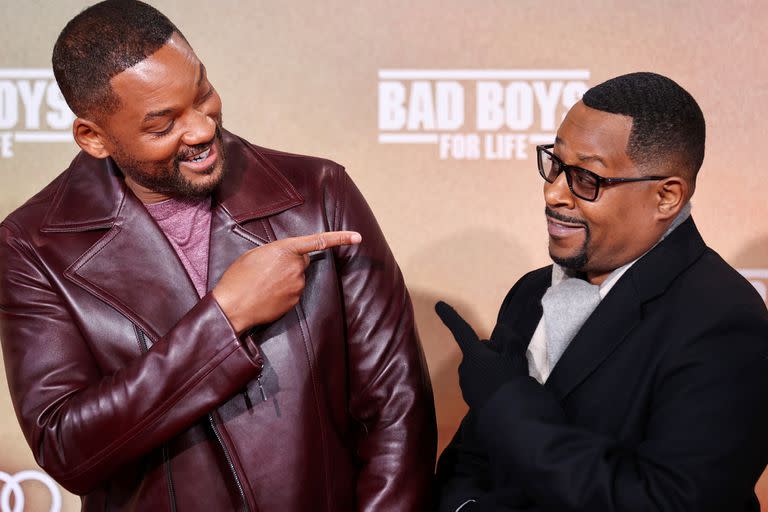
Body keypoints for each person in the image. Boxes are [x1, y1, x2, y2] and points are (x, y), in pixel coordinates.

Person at [0, 1, 436, 510]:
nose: (203, 130)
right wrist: (225, 318)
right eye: (164, 125)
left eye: (202, 94)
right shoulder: (32, 245)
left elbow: (396, 412)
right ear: (93, 138)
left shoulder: (318, 194)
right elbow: (67, 448)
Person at [435, 72, 768, 511]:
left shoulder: (724, 321)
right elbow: (471, 464)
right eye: (554, 164)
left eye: (586, 179)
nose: (553, 193)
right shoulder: (529, 294)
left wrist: (506, 404)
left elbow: (663, 501)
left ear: (666, 197)